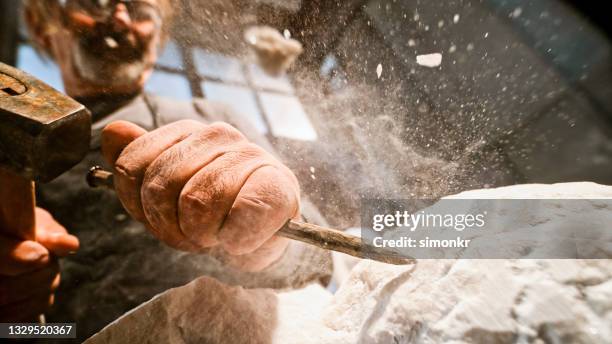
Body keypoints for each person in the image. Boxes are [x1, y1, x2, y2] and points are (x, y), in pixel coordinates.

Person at [0, 0, 331, 340]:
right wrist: (11, 322)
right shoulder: (16, 155)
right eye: (96, 2)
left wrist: (272, 243)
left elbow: (322, 261)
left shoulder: (214, 114)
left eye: (140, 10)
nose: (119, 16)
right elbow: (21, 332)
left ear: (156, 43)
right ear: (43, 28)